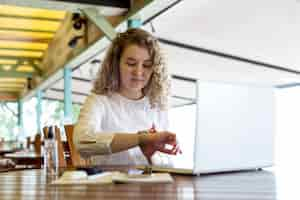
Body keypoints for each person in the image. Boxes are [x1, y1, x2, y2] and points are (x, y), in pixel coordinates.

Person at [74, 28, 180, 166]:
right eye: (131, 63)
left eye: (147, 65)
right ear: (115, 64)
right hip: (109, 184)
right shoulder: (99, 100)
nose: (139, 72)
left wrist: (153, 156)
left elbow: (161, 164)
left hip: (147, 185)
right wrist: (141, 139)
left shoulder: (156, 104)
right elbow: (82, 141)